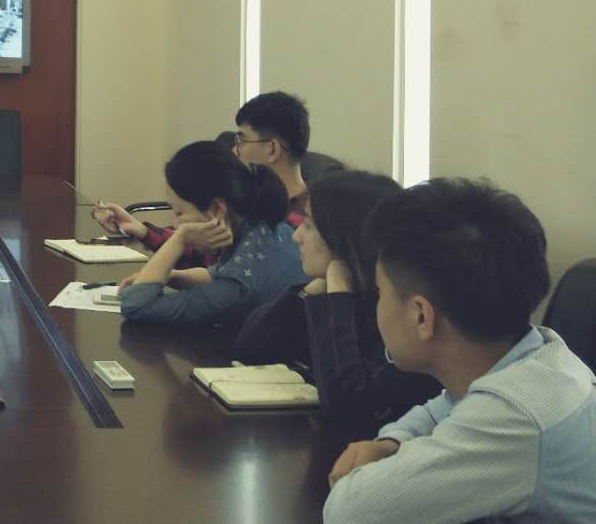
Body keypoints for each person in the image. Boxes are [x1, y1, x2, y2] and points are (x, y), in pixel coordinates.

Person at [325, 178, 596, 524]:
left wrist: (385, 462)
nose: (377, 306)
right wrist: (392, 443)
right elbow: (439, 410)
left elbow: (350, 511)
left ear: (421, 316)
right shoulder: (538, 354)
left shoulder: (516, 417)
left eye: (380, 293)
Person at [233, 169, 439, 431]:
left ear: (344, 237)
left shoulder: (396, 312)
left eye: (309, 225)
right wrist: (314, 290)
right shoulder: (340, 292)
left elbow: (348, 406)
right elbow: (251, 349)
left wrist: (338, 295)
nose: (297, 236)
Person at [93, 90, 315, 270]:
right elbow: (203, 250)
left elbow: (227, 273)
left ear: (272, 149)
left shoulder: (301, 224)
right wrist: (141, 230)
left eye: (241, 141)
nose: (233, 151)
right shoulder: (250, 201)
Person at [118, 141, 307, 325]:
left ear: (217, 209)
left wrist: (180, 238)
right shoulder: (258, 226)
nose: (176, 224)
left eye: (179, 213)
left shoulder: (238, 288)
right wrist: (171, 276)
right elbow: (217, 274)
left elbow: (135, 305)